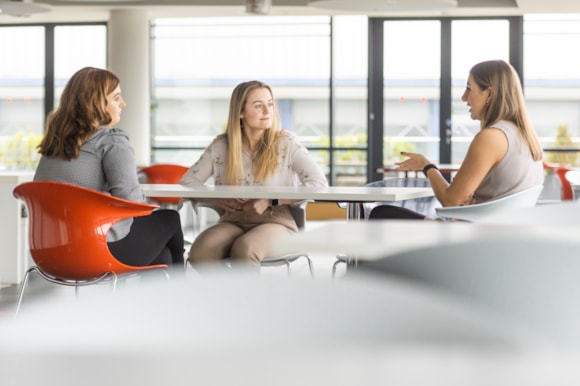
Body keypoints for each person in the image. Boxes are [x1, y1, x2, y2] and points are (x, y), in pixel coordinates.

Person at [34, 67, 185, 270]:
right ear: (96, 103)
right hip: (97, 249)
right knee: (170, 218)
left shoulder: (53, 145)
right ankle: (181, 296)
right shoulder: (111, 141)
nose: (123, 104)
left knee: (162, 254)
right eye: (116, 98)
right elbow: (133, 202)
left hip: (51, 250)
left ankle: (157, 299)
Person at [370, 59, 544, 220]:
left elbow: (451, 201)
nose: (463, 97)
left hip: (473, 239)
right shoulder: (524, 136)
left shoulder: (492, 138)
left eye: (469, 89)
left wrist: (426, 166)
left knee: (382, 213)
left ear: (489, 94)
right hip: (507, 237)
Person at [180, 80, 328, 268]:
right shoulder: (221, 146)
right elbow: (188, 181)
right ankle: (228, 297)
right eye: (258, 106)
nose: (268, 112)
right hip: (233, 221)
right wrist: (217, 200)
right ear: (240, 113)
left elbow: (319, 183)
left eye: (270, 104)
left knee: (245, 249)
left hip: (278, 223)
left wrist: (271, 200)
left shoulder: (287, 143)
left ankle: (247, 297)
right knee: (200, 252)